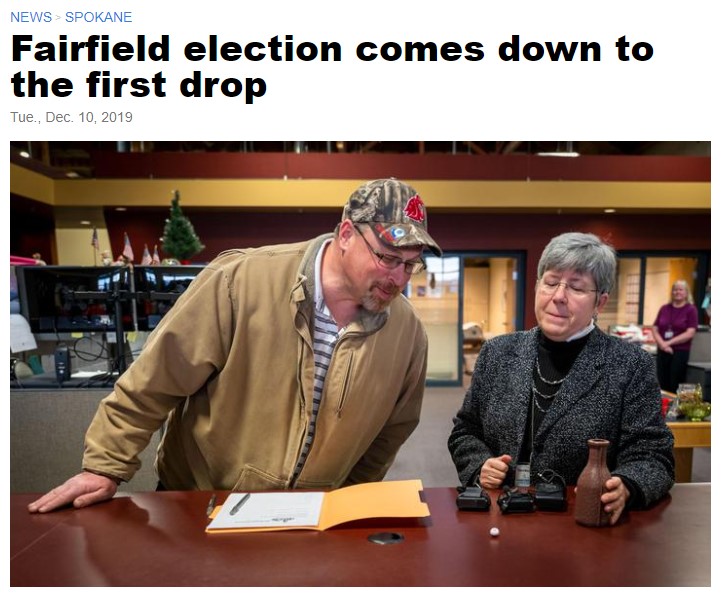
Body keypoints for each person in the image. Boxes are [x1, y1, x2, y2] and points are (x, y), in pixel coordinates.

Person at [28, 178, 442, 513]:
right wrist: (105, 466)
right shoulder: (240, 282)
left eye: (411, 263)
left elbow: (392, 431)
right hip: (201, 503)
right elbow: (154, 382)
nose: (399, 278)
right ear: (347, 234)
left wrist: (347, 498)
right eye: (388, 258)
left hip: (314, 515)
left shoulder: (406, 333)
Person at [448, 232, 674, 525]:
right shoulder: (498, 353)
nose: (558, 297)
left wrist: (627, 485)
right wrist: (480, 465)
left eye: (577, 288)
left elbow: (654, 453)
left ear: (600, 303)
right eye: (551, 282)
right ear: (538, 286)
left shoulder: (630, 365)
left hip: (585, 523)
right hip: (503, 518)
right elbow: (466, 430)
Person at [651, 280, 699, 393]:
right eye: (675, 289)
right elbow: (655, 328)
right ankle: (662, 408)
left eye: (681, 289)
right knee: (661, 384)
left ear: (687, 293)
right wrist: (662, 344)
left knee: (675, 384)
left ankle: (673, 410)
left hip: (679, 352)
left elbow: (690, 332)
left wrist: (668, 343)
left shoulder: (691, 309)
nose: (677, 292)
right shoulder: (664, 308)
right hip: (663, 351)